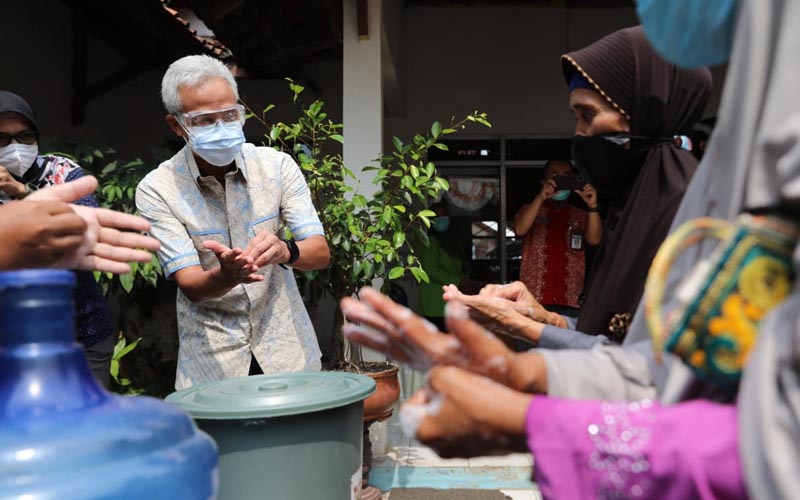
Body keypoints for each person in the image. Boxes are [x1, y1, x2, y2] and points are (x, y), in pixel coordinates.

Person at [347, 0, 800, 497]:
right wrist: (523, 357)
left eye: (588, 118)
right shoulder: (715, 176)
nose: (579, 140)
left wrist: (527, 419)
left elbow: (763, 434)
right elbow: (662, 366)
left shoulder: (685, 206)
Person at [136, 55, 330, 389]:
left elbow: (320, 253)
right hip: (213, 364)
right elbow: (191, 285)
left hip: (288, 354)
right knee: (223, 442)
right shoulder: (158, 189)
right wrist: (225, 276)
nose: (222, 128)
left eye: (230, 115)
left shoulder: (277, 167)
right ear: (176, 125)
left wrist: (286, 250)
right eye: (205, 120)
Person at [0, 91, 136, 386]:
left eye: (25, 137)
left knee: (88, 427)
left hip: (83, 333)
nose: (15, 147)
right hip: (11, 343)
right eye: (3, 139)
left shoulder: (61, 172)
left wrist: (22, 193)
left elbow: (86, 223)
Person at [513, 159, 600, 317]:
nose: (561, 181)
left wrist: (592, 206)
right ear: (543, 182)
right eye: (555, 177)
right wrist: (541, 197)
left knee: (568, 342)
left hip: (570, 300)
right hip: (534, 299)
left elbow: (594, 239)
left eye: (566, 177)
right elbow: (520, 229)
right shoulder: (531, 209)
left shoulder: (580, 214)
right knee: (533, 343)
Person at [416, 200, 467, 331]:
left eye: (444, 216)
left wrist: (465, 278)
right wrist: (458, 281)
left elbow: (461, 263)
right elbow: (432, 271)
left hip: (453, 299)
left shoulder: (453, 241)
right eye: (437, 217)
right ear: (430, 221)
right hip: (434, 303)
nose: (441, 220)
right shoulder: (428, 242)